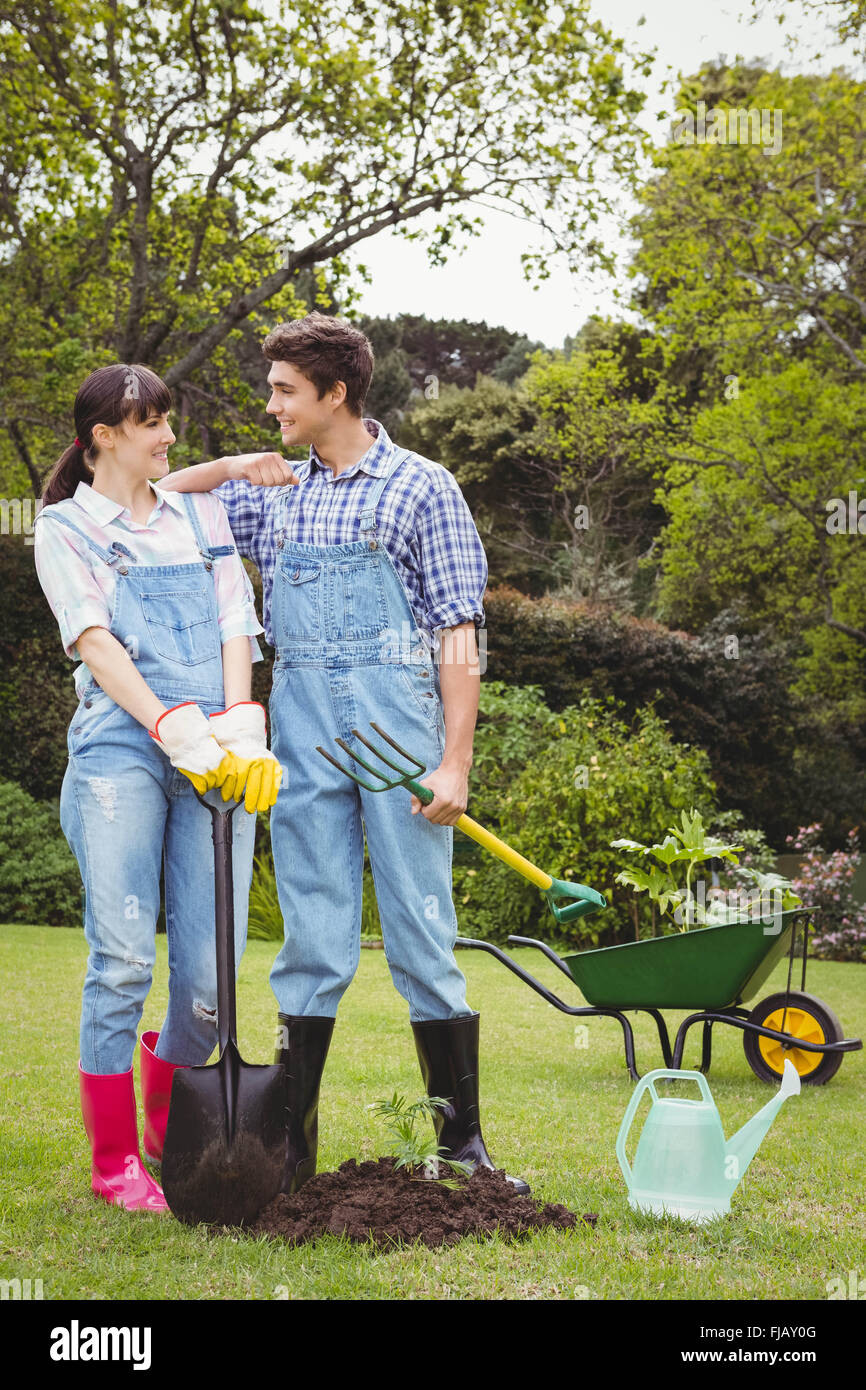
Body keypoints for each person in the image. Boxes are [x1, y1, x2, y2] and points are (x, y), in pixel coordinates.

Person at [160, 313, 529, 1194]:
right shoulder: (273, 490)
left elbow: (458, 632)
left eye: (286, 390)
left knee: (421, 933)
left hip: (401, 742)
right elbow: (161, 496)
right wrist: (234, 468)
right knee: (312, 941)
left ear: (337, 394)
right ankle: (289, 1152)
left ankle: (460, 1148)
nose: (272, 403)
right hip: (304, 739)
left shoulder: (421, 488)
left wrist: (456, 763)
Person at [33, 364, 282, 1213]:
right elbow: (95, 641)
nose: (168, 436)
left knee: (212, 977)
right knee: (124, 958)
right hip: (123, 753)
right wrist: (169, 725)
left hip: (215, 751)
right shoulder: (64, 529)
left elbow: (232, 621)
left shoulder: (196, 513)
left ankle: (166, 1128)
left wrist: (239, 719)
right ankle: (113, 1165)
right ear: (104, 435)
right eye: (151, 424)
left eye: (167, 420)